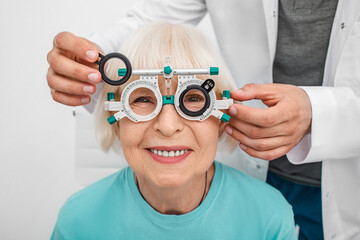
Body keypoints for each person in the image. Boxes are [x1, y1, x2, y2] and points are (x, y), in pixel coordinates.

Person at [46, 1, 360, 239]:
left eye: (193, 98)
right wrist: (87, 62)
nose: (168, 126)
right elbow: (148, 24)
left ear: (222, 116)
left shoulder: (267, 215)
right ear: (116, 114)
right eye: (142, 99)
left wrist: (323, 112)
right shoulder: (78, 221)